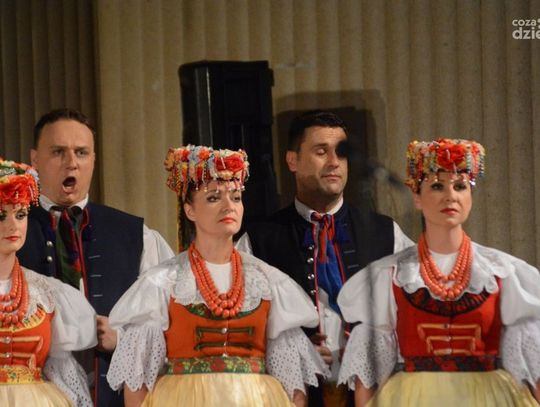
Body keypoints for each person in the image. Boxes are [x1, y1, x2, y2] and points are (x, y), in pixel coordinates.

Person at [106, 145, 330, 407]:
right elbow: (138, 382)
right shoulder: (163, 282)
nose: (228, 206)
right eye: (214, 198)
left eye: (236, 197)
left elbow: (293, 385)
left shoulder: (268, 281)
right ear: (190, 210)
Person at [337, 138, 540, 406]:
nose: (450, 196)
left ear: (470, 197)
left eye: (460, 186)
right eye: (436, 186)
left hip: (488, 396)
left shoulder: (503, 273)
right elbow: (368, 377)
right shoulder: (391, 274)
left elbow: (534, 368)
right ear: (416, 198)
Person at [236, 110, 413, 406]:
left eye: (340, 153)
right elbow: (240, 325)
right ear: (292, 160)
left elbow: (413, 310)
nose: (334, 162)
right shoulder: (259, 240)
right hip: (294, 395)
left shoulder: (385, 232)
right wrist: (294, 350)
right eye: (321, 151)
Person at [17, 108, 174, 406]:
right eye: (58, 152)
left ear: (93, 159)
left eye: (81, 152)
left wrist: (121, 339)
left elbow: (169, 329)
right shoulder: (10, 232)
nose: (72, 162)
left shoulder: (135, 236)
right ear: (35, 160)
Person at [0, 157, 96, 406]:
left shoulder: (46, 294)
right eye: (1, 216)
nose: (13, 225)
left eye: (20, 214)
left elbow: (62, 370)